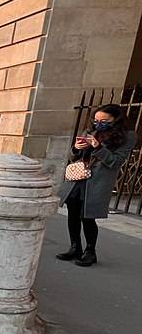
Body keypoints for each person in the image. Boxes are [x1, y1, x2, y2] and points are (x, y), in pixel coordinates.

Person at [57, 103, 136, 266]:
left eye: (104, 120)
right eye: (96, 119)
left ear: (116, 119)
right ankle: (75, 247)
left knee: (87, 217)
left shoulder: (128, 136)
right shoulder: (91, 130)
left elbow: (115, 162)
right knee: (72, 214)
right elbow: (73, 157)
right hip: (77, 179)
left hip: (97, 182)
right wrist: (76, 148)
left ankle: (90, 252)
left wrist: (98, 147)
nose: (99, 123)